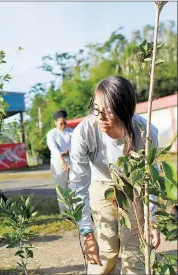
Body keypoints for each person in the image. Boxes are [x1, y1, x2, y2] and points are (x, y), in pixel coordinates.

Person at [69, 76, 160, 274]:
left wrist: (152, 220)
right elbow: (78, 183)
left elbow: (151, 181)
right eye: (96, 108)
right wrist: (86, 232)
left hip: (133, 185)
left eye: (108, 110)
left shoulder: (146, 133)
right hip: (101, 182)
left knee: (134, 250)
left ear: (124, 109)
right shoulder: (84, 132)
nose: (100, 116)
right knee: (106, 252)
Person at [46, 110, 73, 212]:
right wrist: (62, 160)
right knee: (62, 188)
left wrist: (69, 152)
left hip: (72, 160)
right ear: (55, 122)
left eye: (65, 123)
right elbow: (54, 149)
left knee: (75, 185)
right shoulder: (52, 134)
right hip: (58, 163)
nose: (63, 125)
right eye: (61, 123)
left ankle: (76, 209)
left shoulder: (71, 131)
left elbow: (76, 146)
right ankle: (65, 211)